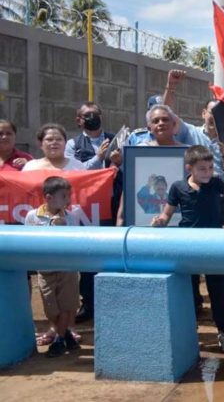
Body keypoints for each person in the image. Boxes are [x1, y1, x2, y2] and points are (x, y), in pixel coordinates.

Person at [151, 145, 224, 354]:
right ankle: (189, 333)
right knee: (189, 292)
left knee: (219, 292)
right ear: (189, 168)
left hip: (213, 246)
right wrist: (159, 221)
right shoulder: (177, 188)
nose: (208, 173)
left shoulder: (217, 183)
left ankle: (223, 332)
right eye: (202, 169)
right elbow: (167, 215)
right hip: (188, 247)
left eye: (210, 168)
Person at [65, 101, 122, 323]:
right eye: (86, 115)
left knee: (111, 252)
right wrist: (99, 158)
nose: (92, 118)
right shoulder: (73, 145)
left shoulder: (116, 139)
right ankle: (88, 303)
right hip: (87, 208)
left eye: (95, 114)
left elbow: (127, 168)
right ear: (78, 120)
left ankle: (113, 302)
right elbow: (75, 172)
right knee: (88, 254)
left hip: (112, 203)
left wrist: (119, 161)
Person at [24, 176, 81, 358]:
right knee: (51, 310)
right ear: (48, 197)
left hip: (67, 269)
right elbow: (28, 240)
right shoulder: (32, 216)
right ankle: (67, 336)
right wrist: (50, 226)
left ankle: (58, 340)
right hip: (45, 270)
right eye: (64, 196)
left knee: (66, 307)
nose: (68, 200)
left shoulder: (71, 217)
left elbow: (76, 241)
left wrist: (65, 227)